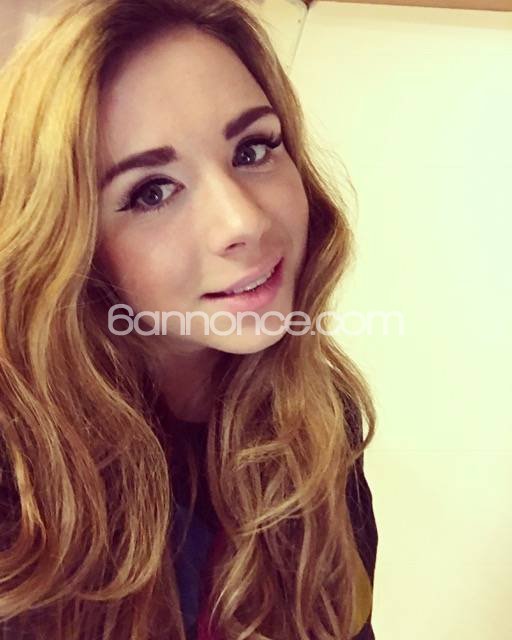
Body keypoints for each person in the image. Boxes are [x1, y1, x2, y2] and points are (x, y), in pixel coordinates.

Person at [0, 1, 378, 638]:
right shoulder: (20, 475)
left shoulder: (320, 416)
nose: (244, 222)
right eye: (152, 191)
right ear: (68, 242)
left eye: (253, 149)